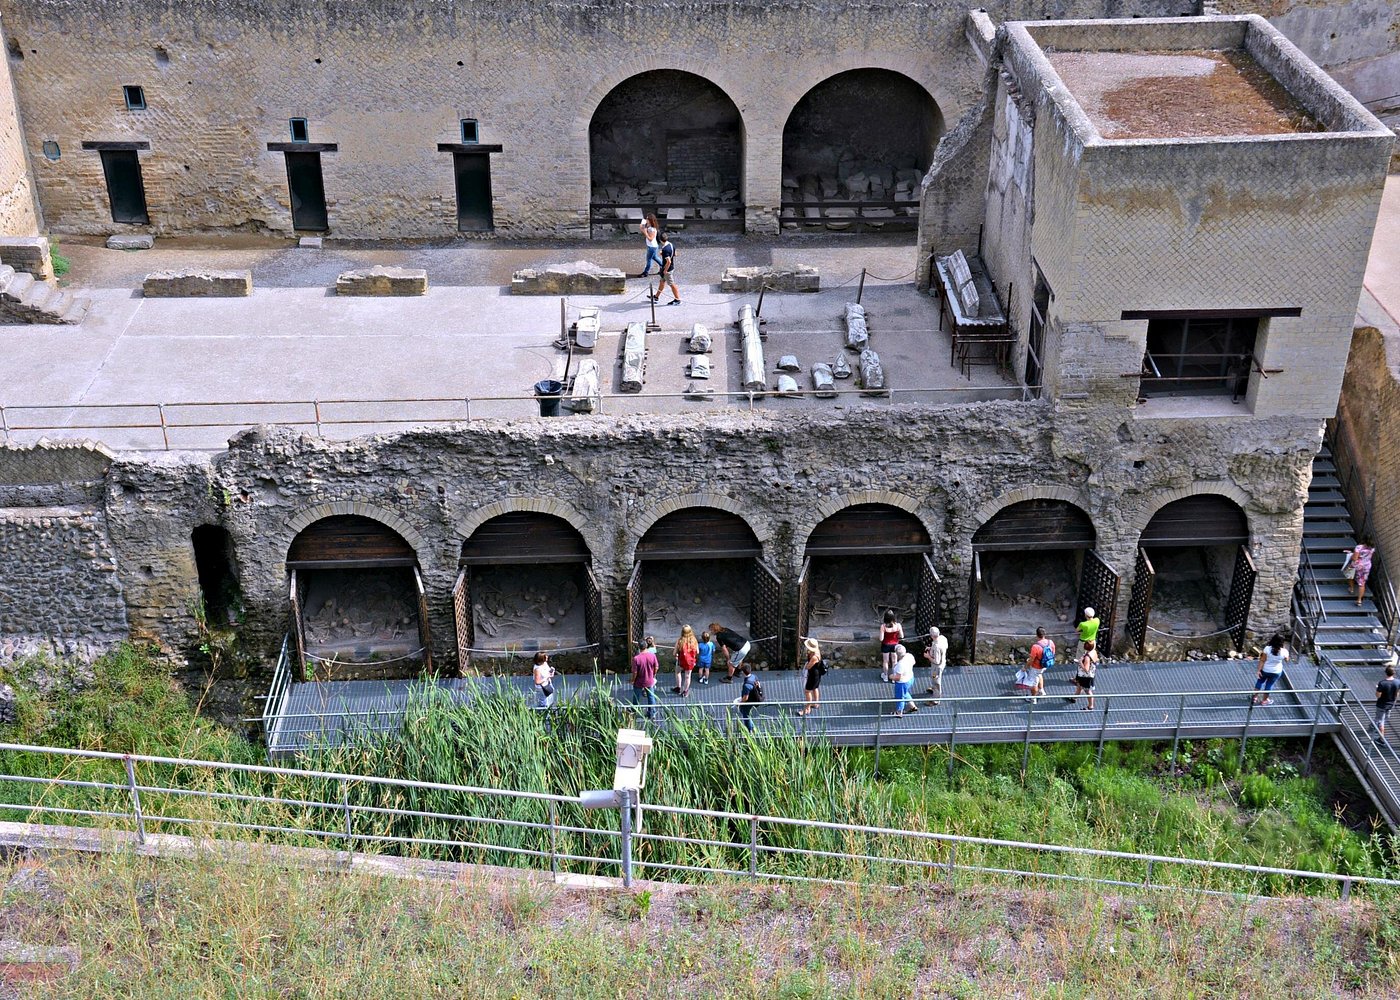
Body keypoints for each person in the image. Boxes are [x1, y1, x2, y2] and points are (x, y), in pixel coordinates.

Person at [1251, 632, 1289, 706]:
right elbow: (1287, 660)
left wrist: (1259, 670)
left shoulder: (1267, 649)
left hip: (1265, 670)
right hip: (1276, 672)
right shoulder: (1284, 651)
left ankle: (1254, 697)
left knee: (1260, 682)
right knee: (1269, 685)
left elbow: (1262, 660)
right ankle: (1265, 700)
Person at [631, 637, 660, 720]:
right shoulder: (652, 655)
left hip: (639, 681)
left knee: (636, 696)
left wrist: (633, 680)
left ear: (639, 647)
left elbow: (635, 672)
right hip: (649, 680)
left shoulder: (636, 659)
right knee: (651, 697)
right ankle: (652, 713)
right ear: (646, 646)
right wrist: (653, 674)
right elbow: (656, 667)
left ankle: (634, 711)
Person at [649, 232, 680, 305]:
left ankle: (677, 299)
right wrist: (663, 253)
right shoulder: (671, 244)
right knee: (662, 282)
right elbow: (675, 254)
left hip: (667, 270)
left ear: (660, 240)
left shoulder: (665, 249)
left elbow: (668, 262)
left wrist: (665, 270)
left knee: (672, 284)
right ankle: (656, 297)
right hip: (669, 268)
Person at [799, 637, 826, 716]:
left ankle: (807, 708)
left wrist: (806, 666)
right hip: (817, 674)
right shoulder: (817, 651)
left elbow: (808, 666)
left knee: (807, 691)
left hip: (813, 676)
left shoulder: (814, 657)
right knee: (815, 688)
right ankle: (816, 703)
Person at [1027, 626, 1055, 700]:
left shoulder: (1035, 646)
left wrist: (1025, 667)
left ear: (1037, 635)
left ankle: (1033, 698)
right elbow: (1053, 653)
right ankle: (1041, 691)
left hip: (1036, 667)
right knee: (1039, 674)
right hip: (1045, 665)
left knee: (1033, 683)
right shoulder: (1050, 642)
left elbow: (1031, 659)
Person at [1070, 640, 1099, 710]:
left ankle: (1090, 706)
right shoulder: (1093, 652)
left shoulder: (1087, 657)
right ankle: (1074, 698)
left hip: (1086, 677)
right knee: (1079, 686)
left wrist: (1080, 662)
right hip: (1087, 674)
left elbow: (1086, 669)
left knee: (1088, 691)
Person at [891, 643, 918, 717]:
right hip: (910, 678)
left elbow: (897, 678)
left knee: (900, 697)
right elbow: (914, 663)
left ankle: (899, 712)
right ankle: (912, 706)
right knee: (905, 692)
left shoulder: (900, 665)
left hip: (902, 683)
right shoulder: (909, 656)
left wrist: (891, 677)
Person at [733, 663, 762, 732]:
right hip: (754, 698)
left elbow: (745, 698)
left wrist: (740, 704)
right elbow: (758, 684)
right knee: (747, 714)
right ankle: (753, 729)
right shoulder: (754, 676)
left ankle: (751, 730)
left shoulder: (747, 685)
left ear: (743, 672)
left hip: (748, 701)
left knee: (745, 715)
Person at [923, 626, 948, 704]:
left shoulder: (937, 646)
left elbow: (936, 661)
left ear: (931, 636)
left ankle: (936, 699)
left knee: (936, 680)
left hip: (936, 667)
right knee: (935, 678)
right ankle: (934, 690)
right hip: (943, 661)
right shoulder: (943, 638)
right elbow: (945, 648)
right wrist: (931, 648)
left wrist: (928, 656)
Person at [1348, 537, 1376, 607]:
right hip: (1366, 566)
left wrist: (1351, 555)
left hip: (1357, 565)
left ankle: (1351, 588)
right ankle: (1359, 600)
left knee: (1349, 573)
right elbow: (1369, 557)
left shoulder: (1359, 547)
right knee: (1362, 583)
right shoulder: (1372, 548)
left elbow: (1355, 558)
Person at [879, 610, 904, 682]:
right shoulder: (898, 625)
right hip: (895, 645)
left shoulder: (883, 626)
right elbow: (902, 636)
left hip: (886, 645)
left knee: (885, 661)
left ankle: (885, 676)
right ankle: (894, 677)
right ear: (893, 617)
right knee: (894, 661)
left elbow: (881, 639)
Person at [674, 624, 698, 696]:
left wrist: (677, 654)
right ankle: (685, 691)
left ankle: (678, 688)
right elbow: (697, 651)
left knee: (678, 672)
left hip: (681, 661)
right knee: (688, 676)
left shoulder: (680, 641)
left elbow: (674, 653)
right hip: (690, 662)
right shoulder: (694, 640)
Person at [1376, 665, 1398, 742]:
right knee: (1385, 718)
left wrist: (1378, 688)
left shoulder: (1382, 683)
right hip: (1391, 704)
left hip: (1382, 705)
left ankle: (1381, 739)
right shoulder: (1397, 682)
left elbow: (1378, 695)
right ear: (1393, 673)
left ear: (1386, 673)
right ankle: (1378, 727)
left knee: (1380, 721)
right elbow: (1397, 693)